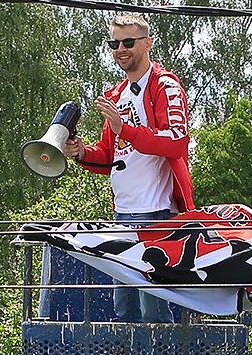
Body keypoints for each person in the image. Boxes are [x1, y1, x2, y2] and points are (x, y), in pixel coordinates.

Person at [64, 12, 194, 323]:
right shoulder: (115, 95)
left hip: (158, 213)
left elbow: (177, 140)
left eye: (128, 42)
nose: (121, 49)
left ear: (147, 43)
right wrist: (81, 152)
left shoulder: (166, 85)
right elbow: (109, 157)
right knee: (123, 309)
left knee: (154, 309)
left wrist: (126, 129)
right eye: (114, 43)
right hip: (123, 215)